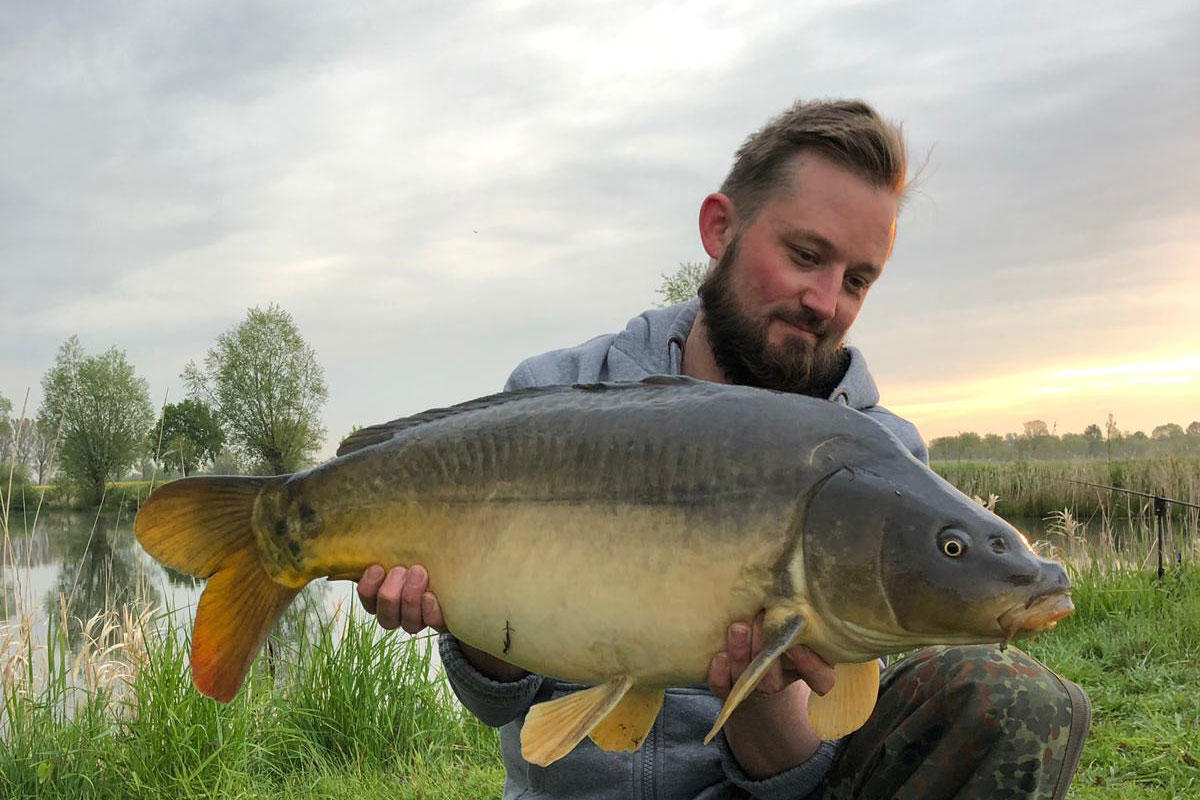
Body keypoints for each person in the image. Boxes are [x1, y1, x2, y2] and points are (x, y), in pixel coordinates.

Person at [356, 99, 1090, 799]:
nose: (826, 301)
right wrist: (464, 622)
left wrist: (754, 695)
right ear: (719, 228)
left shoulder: (885, 464)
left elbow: (800, 774)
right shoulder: (554, 396)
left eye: (857, 280)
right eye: (807, 256)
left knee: (1020, 700)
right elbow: (494, 703)